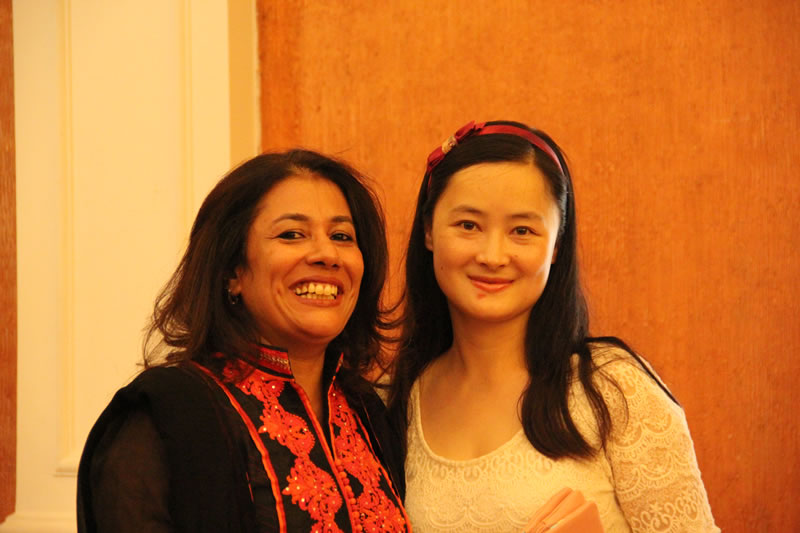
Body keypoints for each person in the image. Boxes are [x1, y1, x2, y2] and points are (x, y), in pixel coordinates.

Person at [388, 121, 720, 533]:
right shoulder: (397, 399)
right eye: (468, 225)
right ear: (428, 230)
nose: (492, 256)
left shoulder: (614, 389)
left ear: (556, 245)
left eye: (522, 231)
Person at [77, 150, 410, 533]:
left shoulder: (367, 412)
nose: (327, 254)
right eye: (292, 234)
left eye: (341, 236)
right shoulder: (164, 416)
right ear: (232, 272)